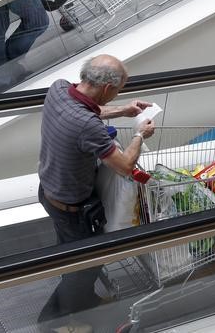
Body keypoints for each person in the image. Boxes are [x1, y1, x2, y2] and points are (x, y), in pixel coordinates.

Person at [37, 54, 155, 330]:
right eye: (117, 90)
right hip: (72, 207)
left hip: (49, 191)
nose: (117, 94)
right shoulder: (87, 126)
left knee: (69, 253)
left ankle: (83, 301)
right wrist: (139, 135)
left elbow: (90, 110)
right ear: (106, 89)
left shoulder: (59, 89)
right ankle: (57, 321)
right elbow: (126, 166)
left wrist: (123, 110)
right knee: (85, 266)